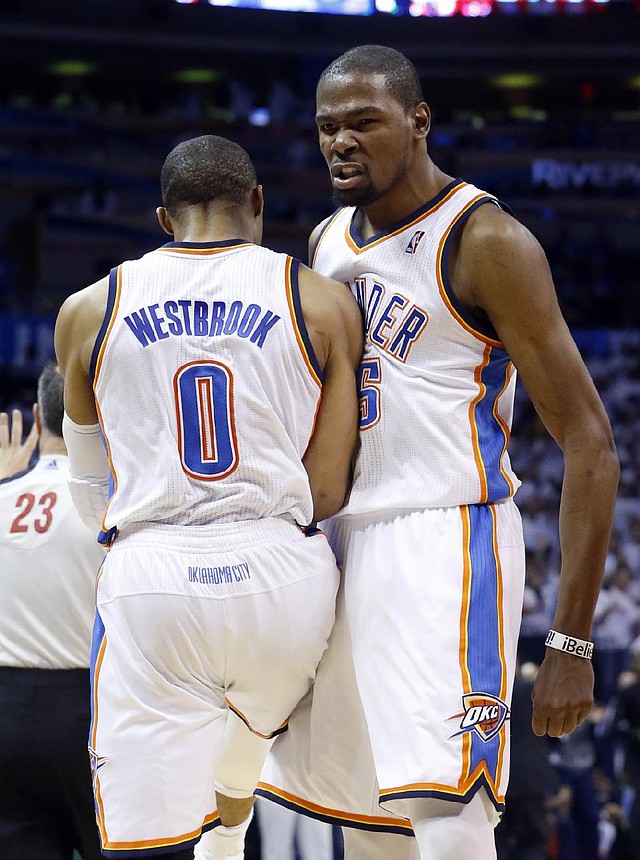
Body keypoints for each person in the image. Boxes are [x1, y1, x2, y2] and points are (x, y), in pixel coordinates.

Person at [258, 45, 620, 860]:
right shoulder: (325, 240)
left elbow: (591, 443)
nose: (341, 143)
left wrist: (569, 642)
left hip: (444, 536)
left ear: (418, 122)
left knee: (447, 809)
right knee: (367, 814)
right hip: (346, 539)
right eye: (326, 129)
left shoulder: (486, 238)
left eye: (364, 123)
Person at [54, 134, 362, 860]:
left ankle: (213, 824)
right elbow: (325, 489)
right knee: (249, 739)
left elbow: (89, 486)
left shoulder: (88, 308)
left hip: (154, 576)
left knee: (144, 839)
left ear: (164, 220)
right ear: (257, 204)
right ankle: (234, 806)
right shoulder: (320, 300)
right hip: (282, 580)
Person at [0, 362, 104, 860]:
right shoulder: (112, 508)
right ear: (98, 417)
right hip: (88, 712)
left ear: (37, 415)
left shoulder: (1, 498)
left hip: (7, 719)